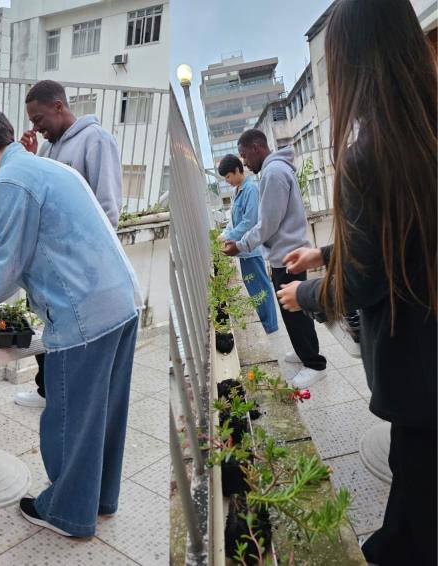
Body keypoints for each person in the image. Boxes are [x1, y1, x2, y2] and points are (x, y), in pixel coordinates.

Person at [276, 1, 436, 563]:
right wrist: (322, 252)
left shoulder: (370, 151)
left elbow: (369, 280)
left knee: (418, 467)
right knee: (415, 475)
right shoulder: (422, 127)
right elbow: (407, 235)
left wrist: (308, 294)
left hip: (419, 364)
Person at [0, 105, 142, 538]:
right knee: (105, 413)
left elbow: (7, 269)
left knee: (69, 418)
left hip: (84, 314)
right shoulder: (51, 169)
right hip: (124, 300)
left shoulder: (9, 181)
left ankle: (68, 513)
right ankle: (100, 500)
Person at [15, 79, 123, 409]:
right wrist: (31, 159)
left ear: (59, 106)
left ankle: (69, 400)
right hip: (52, 265)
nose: (36, 127)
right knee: (52, 330)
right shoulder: (48, 148)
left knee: (77, 338)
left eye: (39, 119)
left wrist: (89, 264)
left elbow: (108, 209)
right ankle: (47, 391)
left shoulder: (97, 140)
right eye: (32, 122)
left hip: (81, 266)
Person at [222, 129, 327, 388]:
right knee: (291, 310)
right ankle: (304, 352)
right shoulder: (273, 171)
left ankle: (315, 364)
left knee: (296, 312)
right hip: (284, 254)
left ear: (257, 148)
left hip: (289, 254)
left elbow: (267, 223)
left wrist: (241, 245)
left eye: (245, 155)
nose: (245, 162)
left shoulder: (273, 173)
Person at [216, 154, 278, 335]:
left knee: (261, 288)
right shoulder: (237, 191)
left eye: (228, 176)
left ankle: (270, 325)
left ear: (237, 170)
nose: (227, 181)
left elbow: (249, 221)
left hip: (252, 248)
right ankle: (265, 323)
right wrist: (224, 234)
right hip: (243, 249)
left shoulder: (251, 189)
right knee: (254, 289)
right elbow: (233, 221)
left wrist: (231, 237)